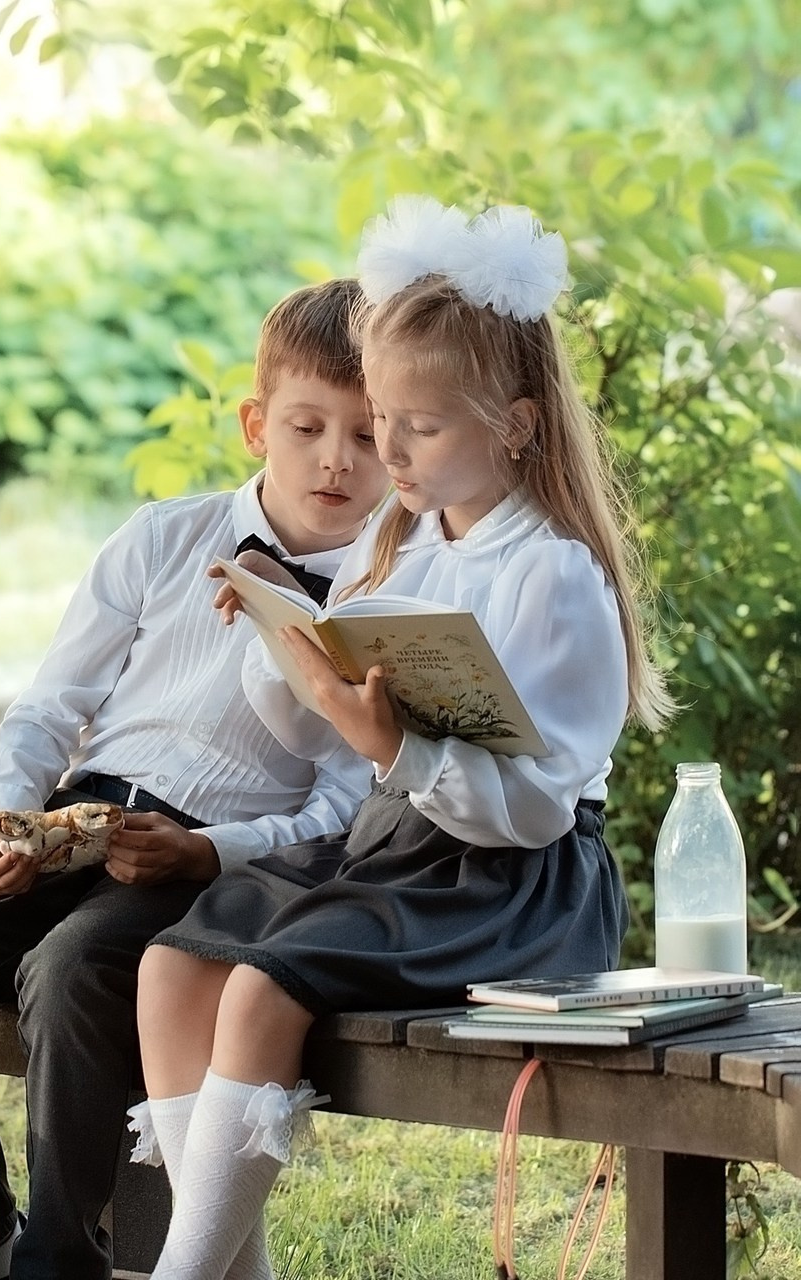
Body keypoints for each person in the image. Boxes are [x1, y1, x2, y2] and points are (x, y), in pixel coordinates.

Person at [127, 195, 676, 1280]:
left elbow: (533, 805)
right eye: (383, 420)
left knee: (259, 983)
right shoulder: (409, 535)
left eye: (419, 427)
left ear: (514, 425)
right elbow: (324, 716)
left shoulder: (550, 572)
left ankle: (181, 1274)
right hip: (398, 848)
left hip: (511, 880)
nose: (389, 450)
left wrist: (399, 750)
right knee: (171, 963)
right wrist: (286, 644)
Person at [0, 277, 391, 1280]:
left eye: (365, 436)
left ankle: (61, 1260)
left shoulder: (378, 597)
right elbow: (46, 709)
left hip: (209, 861)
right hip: (76, 819)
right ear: (253, 423)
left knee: (69, 974)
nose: (335, 458)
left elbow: (338, 801)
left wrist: (207, 847)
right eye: (308, 425)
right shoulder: (158, 537)